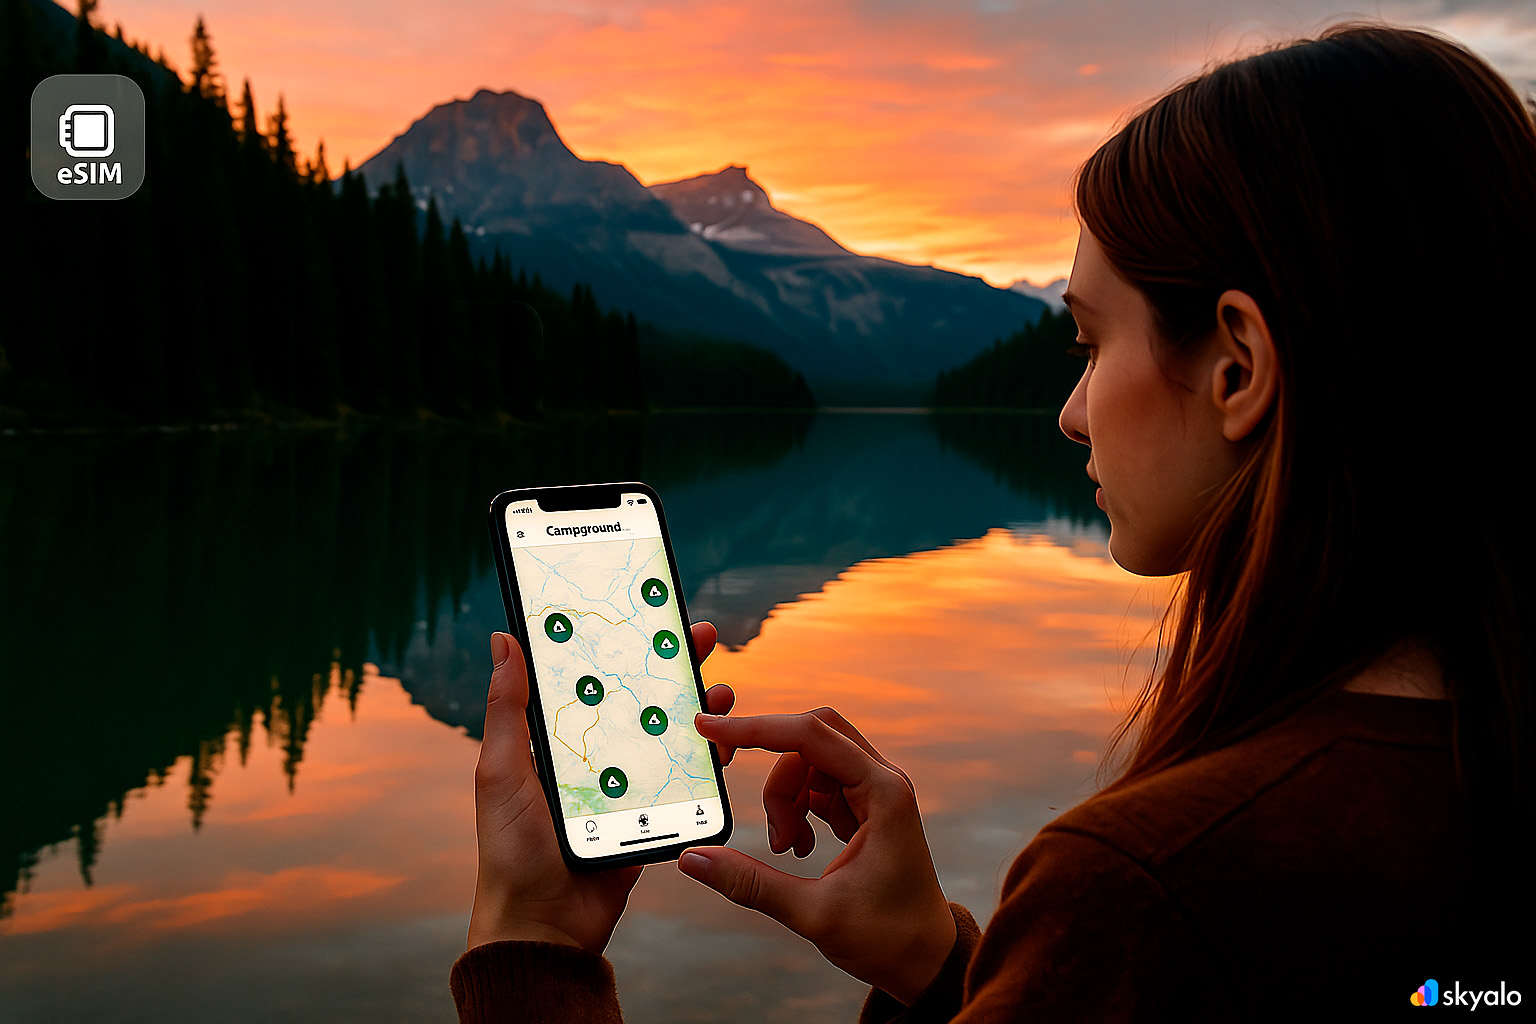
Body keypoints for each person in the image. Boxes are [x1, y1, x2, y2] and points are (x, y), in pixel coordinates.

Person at [451, 20, 1536, 1021]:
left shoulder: (1150, 886)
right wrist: (945, 972)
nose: (1069, 412)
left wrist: (532, 944)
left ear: (1238, 366)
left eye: (1089, 343)